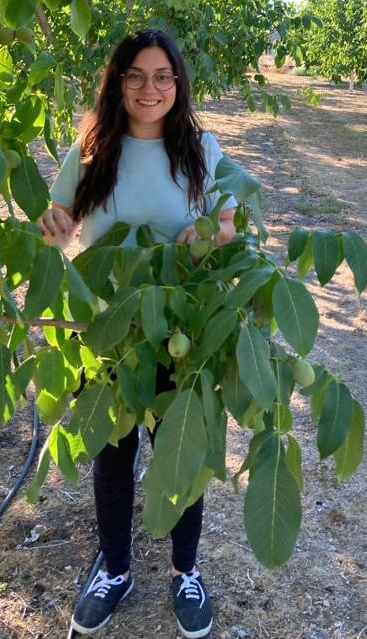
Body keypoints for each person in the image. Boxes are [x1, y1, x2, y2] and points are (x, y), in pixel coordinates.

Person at [36, 29, 237, 638]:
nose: (150, 89)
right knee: (113, 455)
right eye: (136, 77)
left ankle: (185, 572)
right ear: (118, 84)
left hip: (182, 333)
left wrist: (209, 235)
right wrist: (52, 226)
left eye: (162, 77)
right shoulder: (94, 149)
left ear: (178, 84)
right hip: (108, 336)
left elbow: (231, 222)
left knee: (180, 455)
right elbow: (61, 225)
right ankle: (116, 570)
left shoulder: (202, 147)